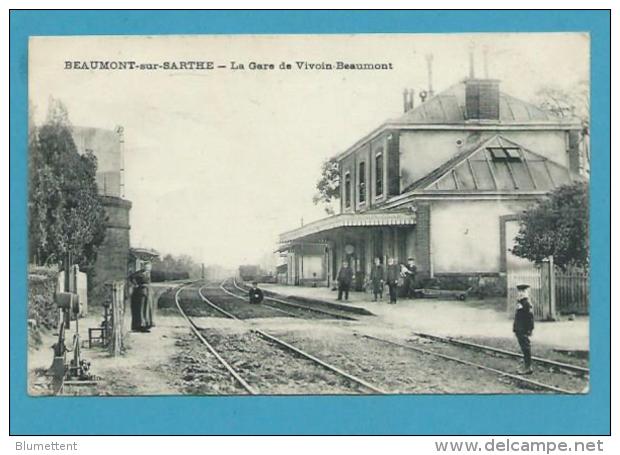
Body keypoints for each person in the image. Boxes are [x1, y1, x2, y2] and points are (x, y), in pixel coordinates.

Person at [513, 284, 535, 374]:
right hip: (519, 329)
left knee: (526, 347)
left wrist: (530, 329)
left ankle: (528, 367)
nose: (520, 293)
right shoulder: (521, 302)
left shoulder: (526, 303)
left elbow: (530, 317)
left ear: (526, 293)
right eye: (519, 291)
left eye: (522, 291)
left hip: (523, 329)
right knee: (524, 347)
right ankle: (527, 366)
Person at [128, 265, 151, 333]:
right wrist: (135, 284)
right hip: (139, 292)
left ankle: (145, 325)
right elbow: (130, 277)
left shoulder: (147, 273)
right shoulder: (138, 273)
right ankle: (139, 326)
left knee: (145, 309)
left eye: (148, 267)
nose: (147, 268)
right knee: (139, 309)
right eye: (145, 266)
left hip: (146, 292)